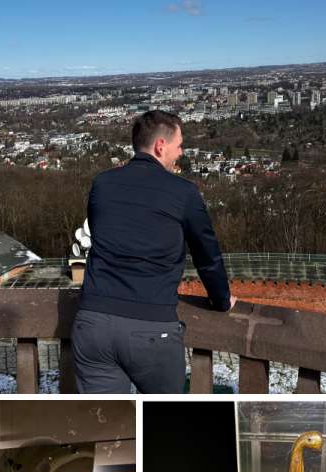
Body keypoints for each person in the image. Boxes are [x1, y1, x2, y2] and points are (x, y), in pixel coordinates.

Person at [72, 109, 236, 393]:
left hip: (93, 324)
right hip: (151, 329)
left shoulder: (102, 184)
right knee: (163, 425)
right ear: (161, 146)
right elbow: (207, 256)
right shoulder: (183, 193)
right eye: (179, 145)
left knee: (109, 423)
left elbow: (105, 239)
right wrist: (221, 300)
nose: (181, 152)